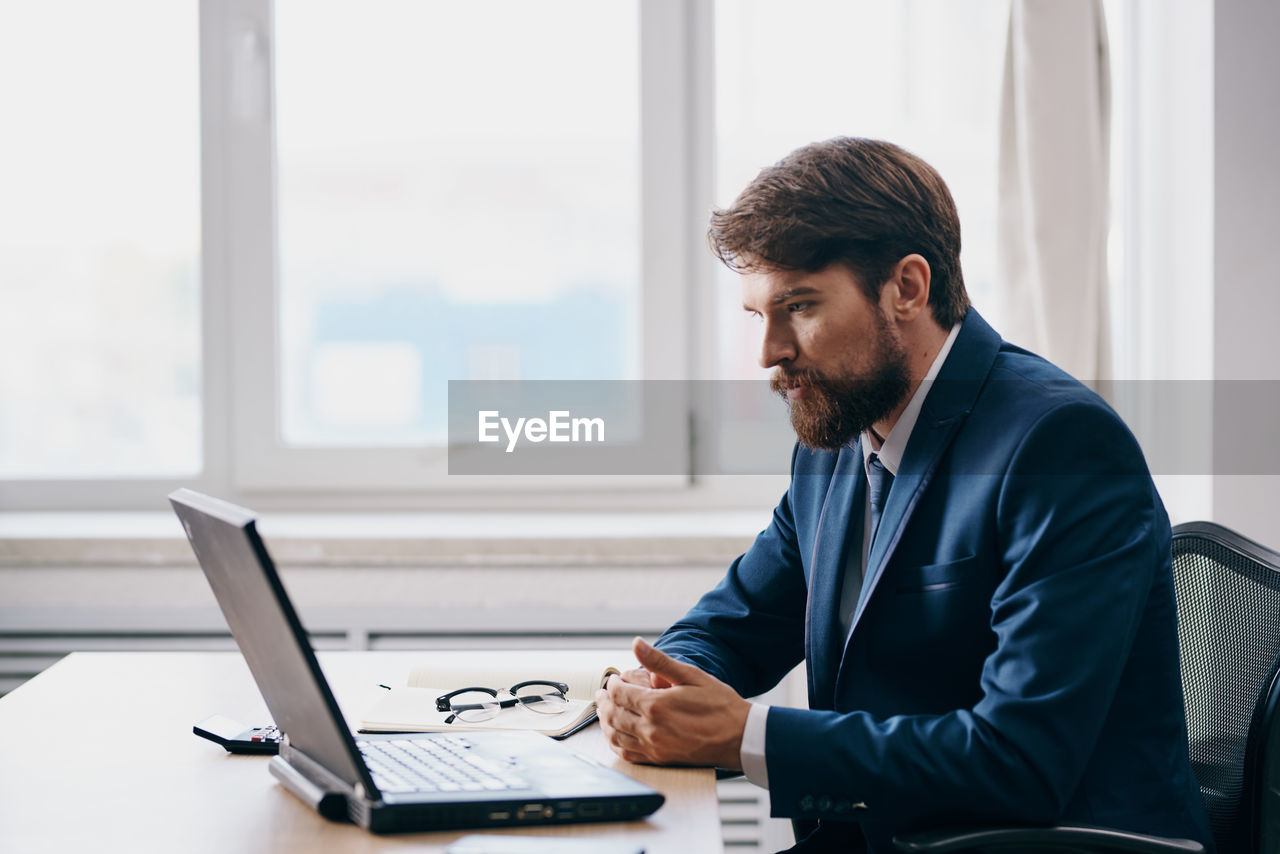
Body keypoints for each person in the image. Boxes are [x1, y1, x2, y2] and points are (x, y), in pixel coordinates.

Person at [594, 138, 1214, 852]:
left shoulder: (1061, 447)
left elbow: (1020, 760)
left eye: (798, 307)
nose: (769, 351)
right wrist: (658, 686)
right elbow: (738, 621)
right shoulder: (836, 441)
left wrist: (746, 738)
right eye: (757, 314)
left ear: (908, 289)